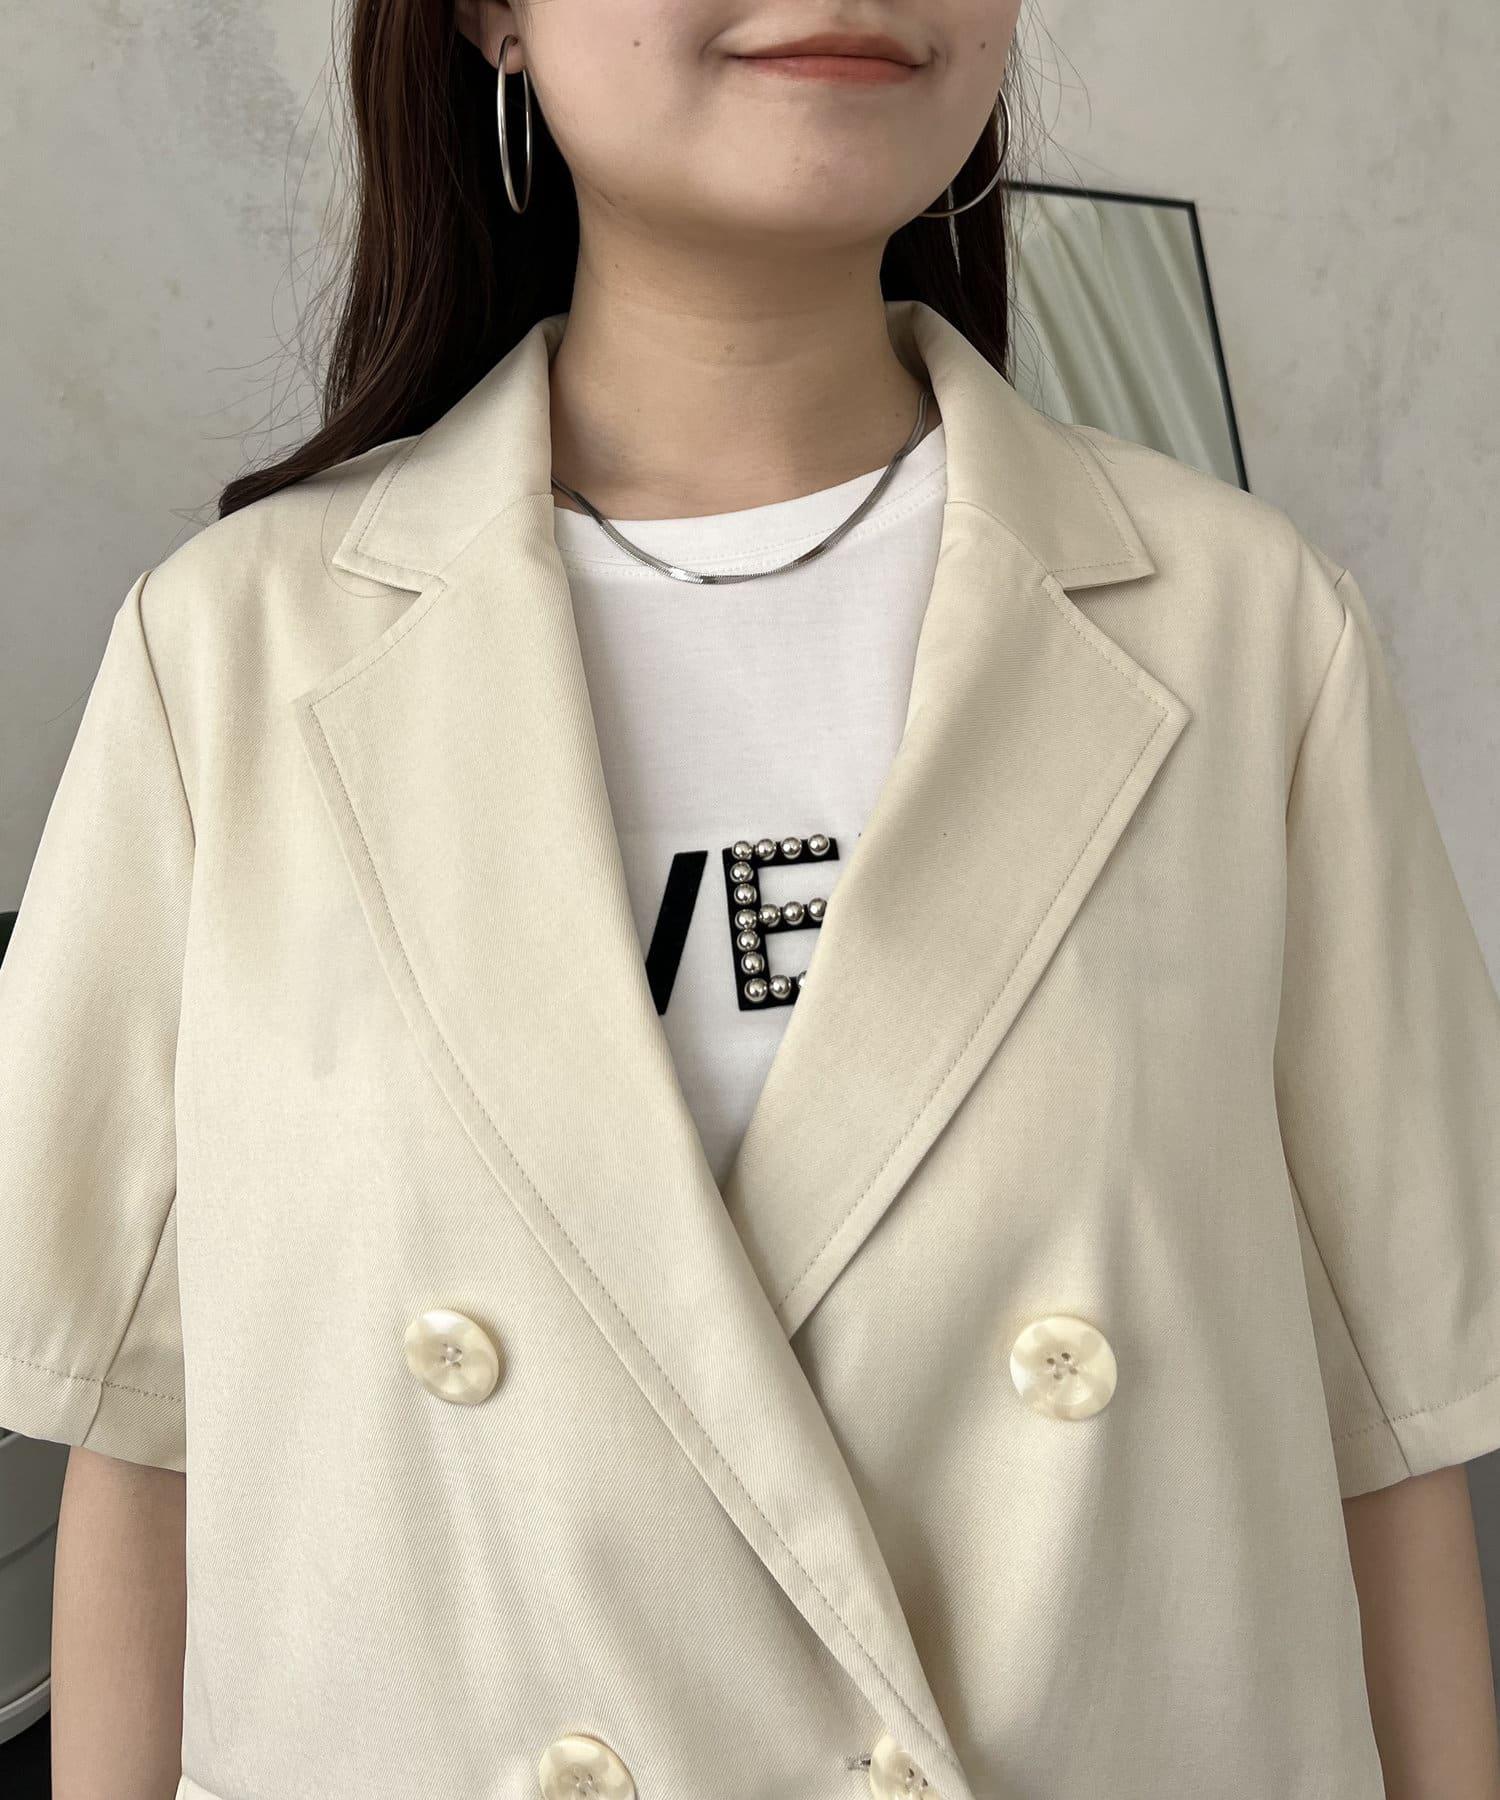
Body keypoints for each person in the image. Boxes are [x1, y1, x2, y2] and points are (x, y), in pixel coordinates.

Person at [4, 4, 1500, 1798]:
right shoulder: (226, 660)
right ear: (492, 15)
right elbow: (143, 1442)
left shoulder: (1252, 637)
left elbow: (1388, 1446)